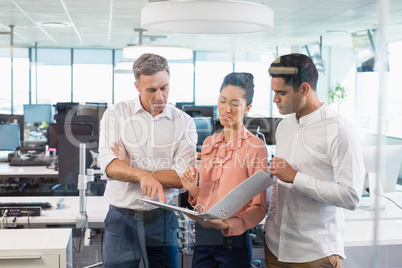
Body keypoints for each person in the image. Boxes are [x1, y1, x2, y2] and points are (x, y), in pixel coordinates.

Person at [263, 53, 365, 268]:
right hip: (275, 247)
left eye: (281, 93)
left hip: (314, 254)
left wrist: (295, 177)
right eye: (274, 92)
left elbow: (351, 196)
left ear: (304, 89)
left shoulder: (340, 130)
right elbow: (281, 184)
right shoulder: (284, 126)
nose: (275, 100)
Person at [98, 53, 197, 268]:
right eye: (152, 90)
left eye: (165, 87)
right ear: (137, 86)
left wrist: (130, 169)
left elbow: (182, 178)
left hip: (161, 219)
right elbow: (109, 165)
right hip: (121, 218)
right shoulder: (116, 114)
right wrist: (141, 175)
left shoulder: (184, 122)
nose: (160, 96)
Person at [180, 72, 268, 268]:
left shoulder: (255, 147)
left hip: (232, 243)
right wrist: (193, 189)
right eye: (222, 101)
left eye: (235, 104)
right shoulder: (210, 143)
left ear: (248, 108)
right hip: (203, 240)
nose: (226, 109)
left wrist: (229, 225)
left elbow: (259, 208)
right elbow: (202, 202)